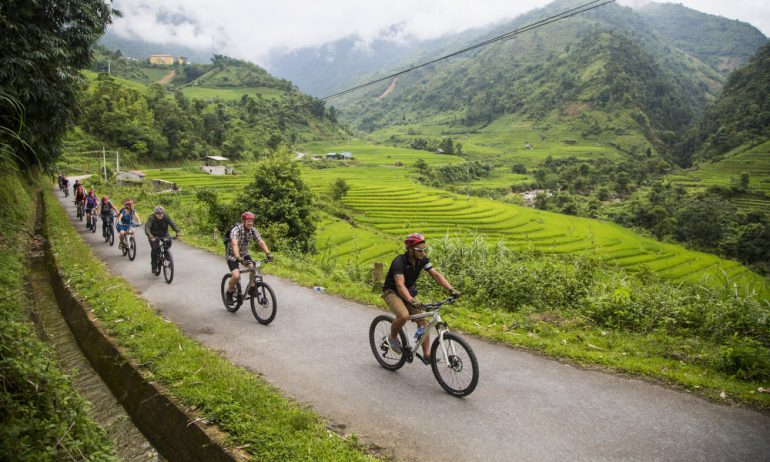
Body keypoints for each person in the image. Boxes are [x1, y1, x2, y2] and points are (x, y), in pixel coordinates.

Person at [382, 233, 461, 364]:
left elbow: (436, 275)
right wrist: (411, 300)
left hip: (408, 291)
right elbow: (400, 285)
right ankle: (392, 337)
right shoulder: (399, 262)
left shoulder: (422, 260)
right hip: (392, 291)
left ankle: (427, 355)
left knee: (423, 321)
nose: (422, 252)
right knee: (403, 315)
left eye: (424, 249)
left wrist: (451, 289)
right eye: (419, 250)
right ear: (410, 249)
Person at [224, 211, 273, 305]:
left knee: (253, 267)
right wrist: (238, 257)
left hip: (244, 253)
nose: (250, 223)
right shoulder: (236, 230)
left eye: (251, 221)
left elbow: (260, 241)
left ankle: (251, 288)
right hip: (232, 254)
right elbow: (234, 244)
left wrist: (268, 253)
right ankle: (229, 292)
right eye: (248, 221)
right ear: (243, 221)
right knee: (236, 276)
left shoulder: (253, 230)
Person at [145, 205, 180, 274]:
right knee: (155, 248)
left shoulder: (166, 216)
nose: (160, 215)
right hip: (153, 235)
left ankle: (166, 253)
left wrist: (177, 231)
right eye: (158, 214)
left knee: (169, 241)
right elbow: (147, 228)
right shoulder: (151, 218)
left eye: (161, 213)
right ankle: (154, 267)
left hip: (164, 233)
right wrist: (150, 235)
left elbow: (172, 224)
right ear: (155, 213)